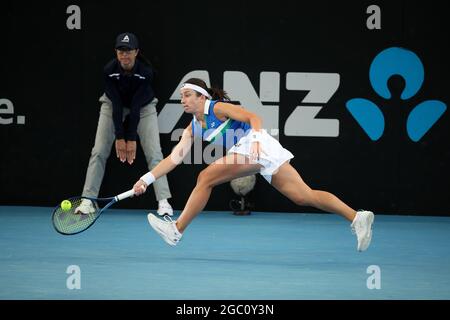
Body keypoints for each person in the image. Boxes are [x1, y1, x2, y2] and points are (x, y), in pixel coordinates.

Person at [132, 78, 374, 251]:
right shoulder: (193, 127)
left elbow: (253, 117)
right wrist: (147, 179)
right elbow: (173, 159)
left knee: (206, 177)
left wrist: (257, 139)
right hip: (256, 150)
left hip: (256, 144)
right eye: (181, 95)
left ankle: (177, 230)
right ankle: (357, 217)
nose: (182, 99)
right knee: (303, 196)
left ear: (201, 97)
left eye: (187, 94)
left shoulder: (217, 107)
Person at [75, 32, 173, 216]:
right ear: (116, 52)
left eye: (128, 51)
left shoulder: (146, 73)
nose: (124, 55)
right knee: (98, 151)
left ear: (137, 52)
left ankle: (163, 201)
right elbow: (117, 105)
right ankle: (87, 200)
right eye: (121, 51)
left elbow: (135, 106)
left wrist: (131, 139)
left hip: (143, 106)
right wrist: (120, 137)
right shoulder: (108, 71)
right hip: (113, 104)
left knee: (154, 152)